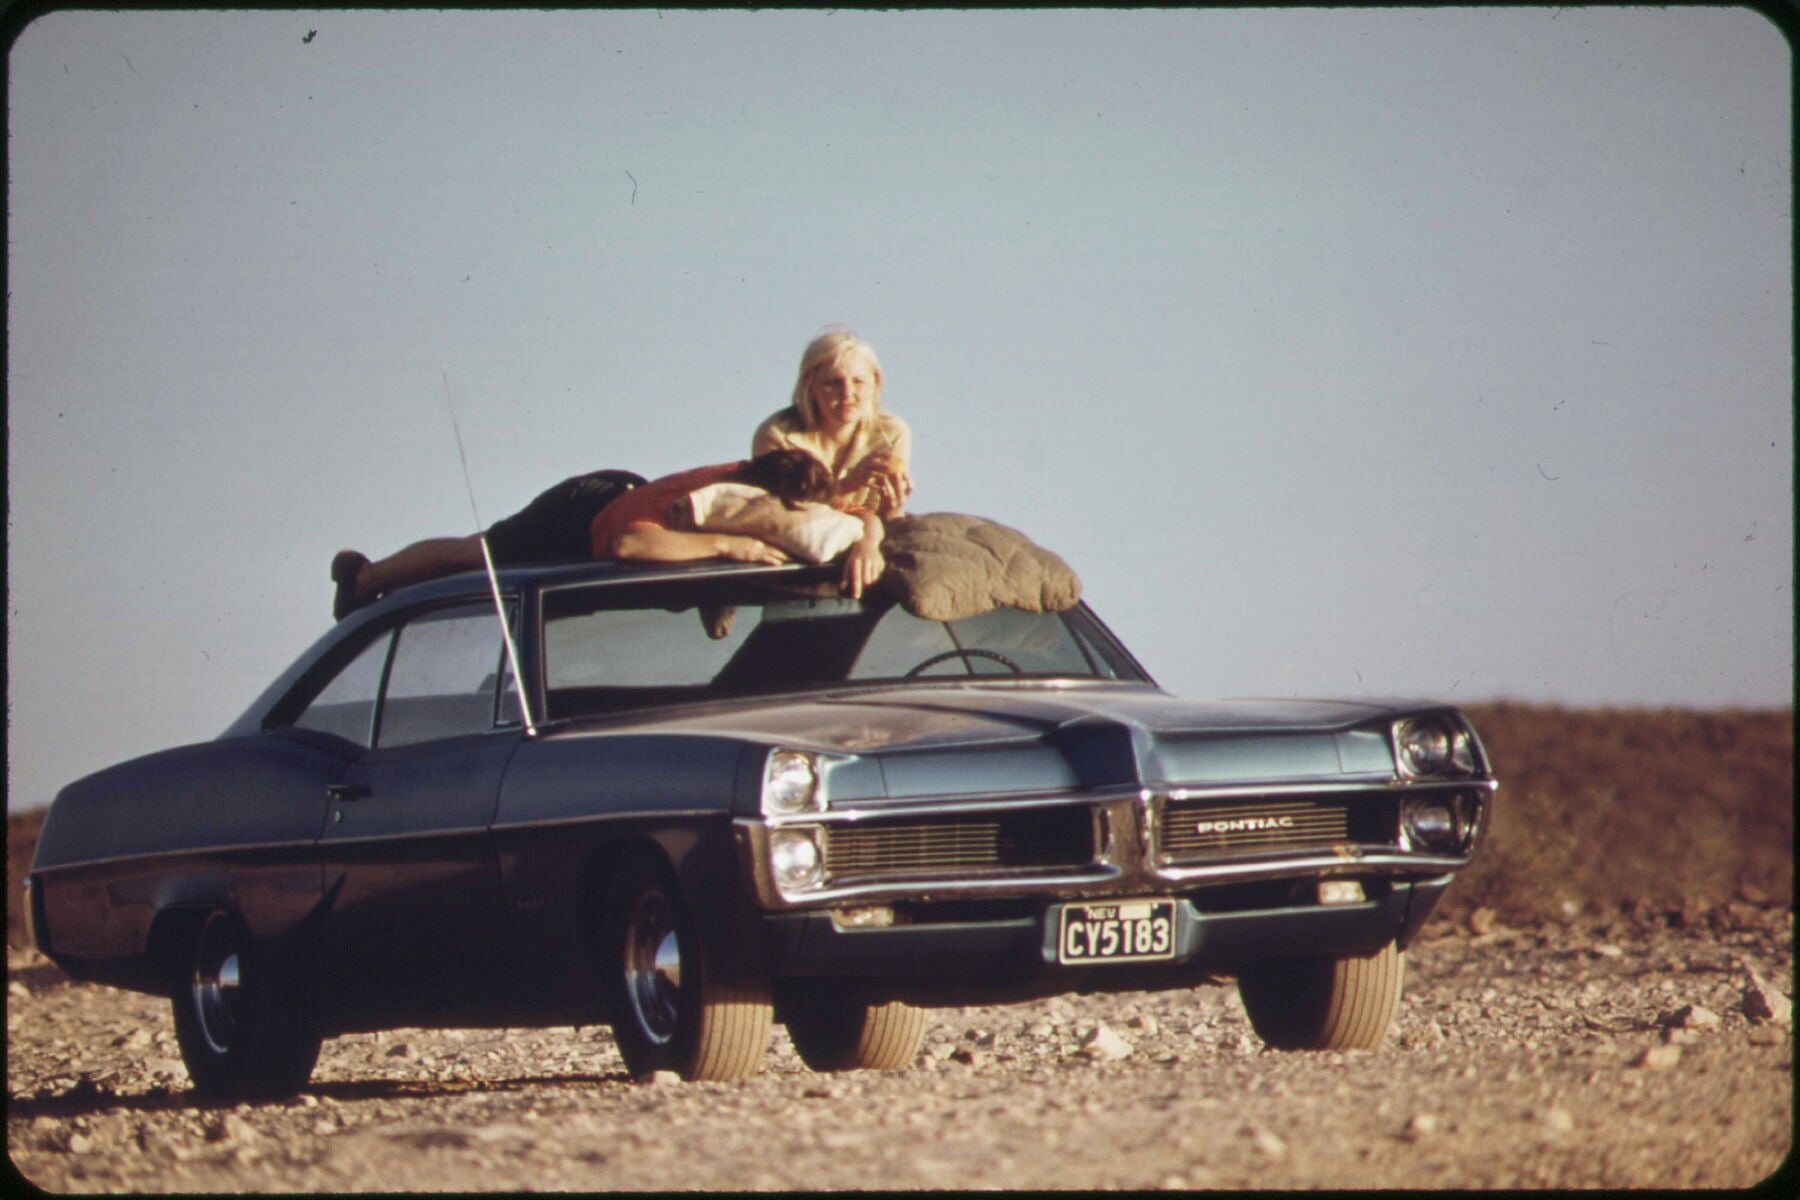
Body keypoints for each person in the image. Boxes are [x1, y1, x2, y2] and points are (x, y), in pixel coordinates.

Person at [330, 450, 831, 620]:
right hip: (579, 514)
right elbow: (632, 545)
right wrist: (727, 546)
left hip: (615, 507)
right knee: (476, 555)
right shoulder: (712, 497)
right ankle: (365, 575)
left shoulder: (765, 494)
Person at [753, 329, 913, 597]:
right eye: (833, 383)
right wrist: (845, 485)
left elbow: (886, 515)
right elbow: (779, 515)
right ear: (810, 387)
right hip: (799, 548)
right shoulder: (778, 435)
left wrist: (893, 507)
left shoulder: (891, 432)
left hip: (866, 541)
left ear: (875, 384)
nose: (848, 393)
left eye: (858, 382)